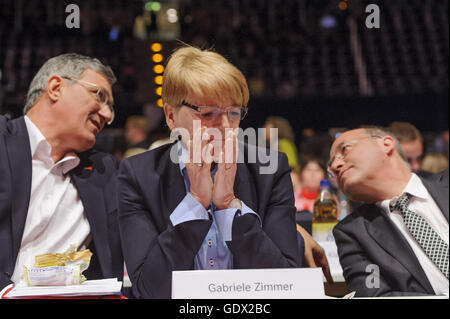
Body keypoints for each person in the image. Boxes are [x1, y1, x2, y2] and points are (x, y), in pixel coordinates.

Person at [117, 45, 330, 299]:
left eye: (233, 112)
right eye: (207, 113)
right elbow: (149, 290)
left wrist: (229, 207)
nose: (226, 126)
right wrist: (195, 203)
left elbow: (283, 283)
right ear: (171, 116)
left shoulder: (269, 170)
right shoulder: (138, 175)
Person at [0, 53, 123, 290]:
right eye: (99, 96)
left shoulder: (102, 171)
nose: (107, 115)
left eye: (110, 107)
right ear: (56, 88)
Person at [328, 127, 448, 297]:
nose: (335, 166)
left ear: (386, 144)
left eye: (345, 149)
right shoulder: (354, 234)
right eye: (332, 164)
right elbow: (375, 295)